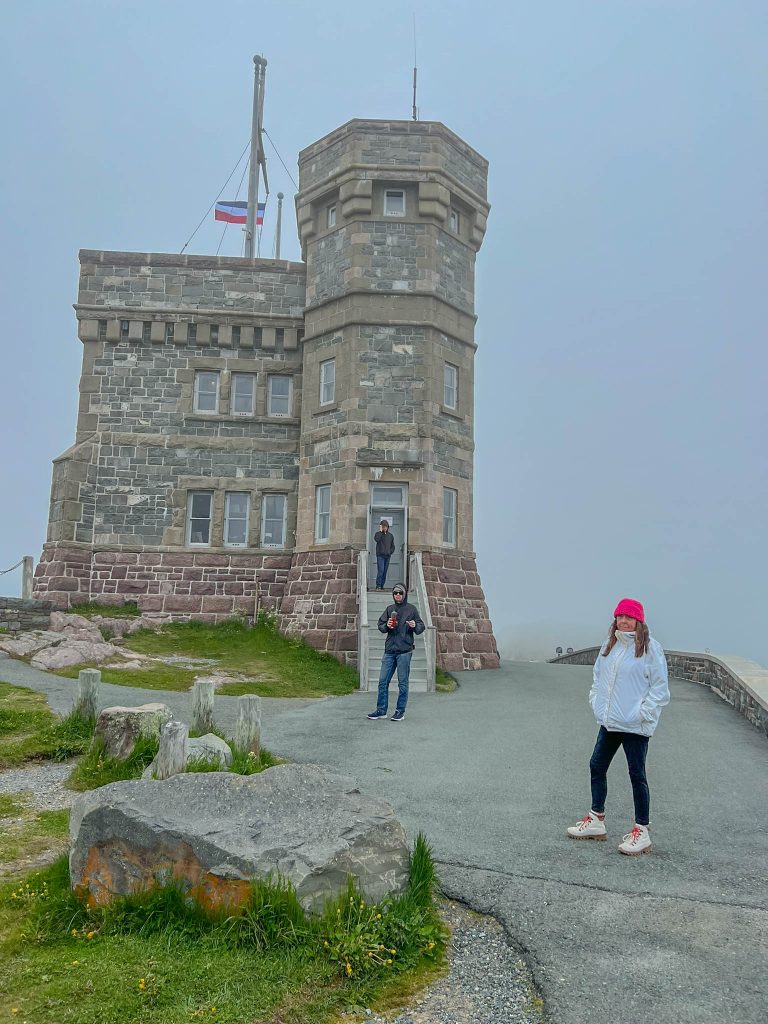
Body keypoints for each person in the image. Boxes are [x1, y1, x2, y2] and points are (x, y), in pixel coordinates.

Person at [566, 598, 670, 855]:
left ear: (638, 621)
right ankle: (596, 820)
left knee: (637, 775)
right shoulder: (609, 645)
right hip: (610, 721)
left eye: (629, 617)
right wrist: (596, 702)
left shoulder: (650, 649)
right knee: (596, 765)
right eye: (620, 616)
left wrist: (643, 714)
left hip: (635, 725)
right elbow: (598, 677)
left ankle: (642, 831)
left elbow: (660, 688)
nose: (623, 621)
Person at [367, 583, 425, 722]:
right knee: (382, 681)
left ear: (404, 594)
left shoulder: (411, 609)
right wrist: (386, 625)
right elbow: (380, 625)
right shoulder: (389, 609)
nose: (397, 595)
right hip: (389, 651)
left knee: (402, 683)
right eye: (395, 593)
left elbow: (421, 626)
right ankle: (381, 710)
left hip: (405, 651)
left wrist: (414, 625)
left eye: (400, 593)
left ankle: (400, 712)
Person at [373, 519, 396, 590]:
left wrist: (390, 552)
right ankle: (378, 586)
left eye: (386, 526)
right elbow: (377, 539)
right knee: (381, 570)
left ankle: (382, 586)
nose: (385, 528)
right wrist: (380, 531)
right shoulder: (378, 534)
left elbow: (393, 546)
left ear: (388, 527)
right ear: (381, 527)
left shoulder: (390, 536)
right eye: (383, 526)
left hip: (387, 556)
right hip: (380, 556)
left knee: (385, 571)